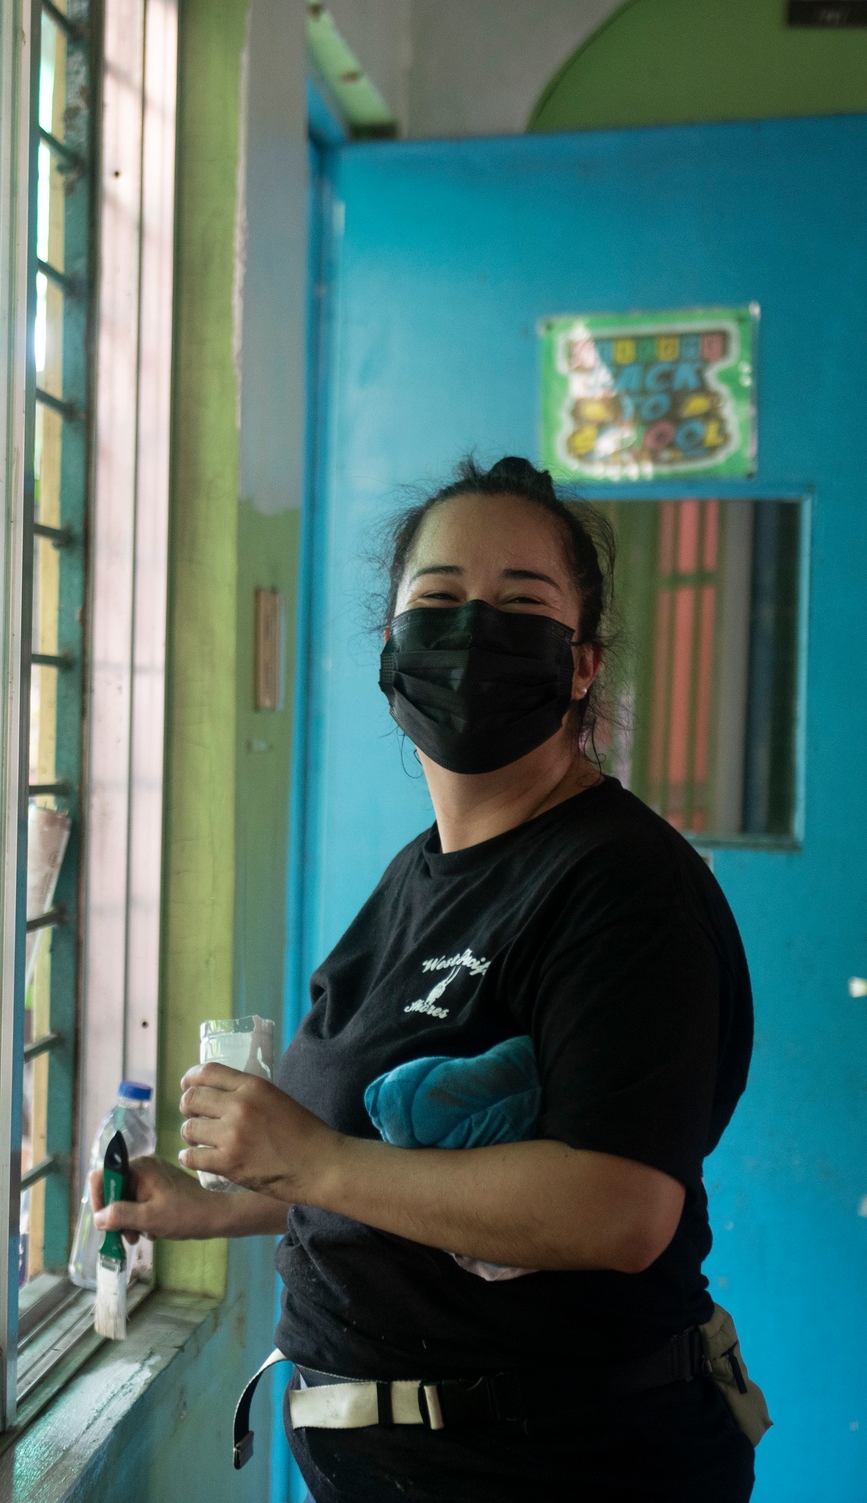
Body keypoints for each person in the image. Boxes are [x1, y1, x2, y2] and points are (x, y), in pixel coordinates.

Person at [93, 457, 759, 1503]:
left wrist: (307, 1162)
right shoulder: (418, 874)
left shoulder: (623, 886)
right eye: (437, 600)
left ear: (582, 665)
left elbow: (616, 1210)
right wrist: (232, 1204)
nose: (471, 631)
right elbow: (413, 1170)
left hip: (564, 1467)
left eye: (520, 604)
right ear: (390, 648)